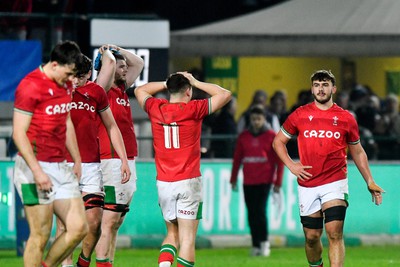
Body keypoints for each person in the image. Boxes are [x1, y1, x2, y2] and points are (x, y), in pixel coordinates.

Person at [272, 69, 385, 267]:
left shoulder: (346, 118)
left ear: (333, 88)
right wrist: (291, 165)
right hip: (307, 183)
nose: (321, 89)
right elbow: (278, 142)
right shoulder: (300, 114)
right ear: (312, 89)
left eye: (325, 85)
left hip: (335, 182)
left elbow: (358, 151)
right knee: (312, 237)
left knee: (334, 232)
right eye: (317, 85)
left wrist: (370, 180)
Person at [134, 72, 232, 267]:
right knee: (187, 239)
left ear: (170, 89)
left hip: (164, 182)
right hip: (188, 181)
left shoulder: (156, 108)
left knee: (172, 233)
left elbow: (139, 89)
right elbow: (225, 94)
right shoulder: (194, 109)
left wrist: (166, 82)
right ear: (188, 91)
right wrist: (196, 82)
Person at [12, 40, 88, 267]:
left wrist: (77, 158)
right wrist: (37, 172)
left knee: (78, 229)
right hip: (32, 168)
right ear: (54, 64)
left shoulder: (65, 85)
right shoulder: (30, 86)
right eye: (68, 73)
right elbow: (18, 133)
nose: (71, 79)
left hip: (60, 165)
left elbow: (66, 121)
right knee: (40, 235)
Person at [55, 47, 131, 267]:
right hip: (63, 165)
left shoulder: (96, 92)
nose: (76, 80)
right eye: (73, 75)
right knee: (64, 225)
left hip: (90, 166)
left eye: (80, 76)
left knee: (95, 222)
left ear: (88, 74)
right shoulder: (59, 90)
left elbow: (112, 126)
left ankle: (84, 260)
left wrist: (123, 159)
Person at [95, 45, 144, 266]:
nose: (125, 70)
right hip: (111, 160)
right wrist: (107, 54)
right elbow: (111, 65)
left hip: (127, 160)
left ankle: (108, 262)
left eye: (125, 67)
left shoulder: (122, 90)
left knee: (116, 222)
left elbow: (139, 63)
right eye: (121, 67)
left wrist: (118, 48)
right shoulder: (101, 91)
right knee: (109, 221)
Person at [230, 105, 283, 257]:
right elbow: (237, 158)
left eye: (259, 119)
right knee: (251, 213)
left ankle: (264, 243)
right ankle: (255, 245)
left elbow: (279, 161)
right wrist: (233, 179)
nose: (256, 122)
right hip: (248, 181)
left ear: (264, 119)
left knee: (260, 212)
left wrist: (278, 182)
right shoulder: (244, 137)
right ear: (250, 120)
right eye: (253, 119)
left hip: (265, 180)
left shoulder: (272, 136)